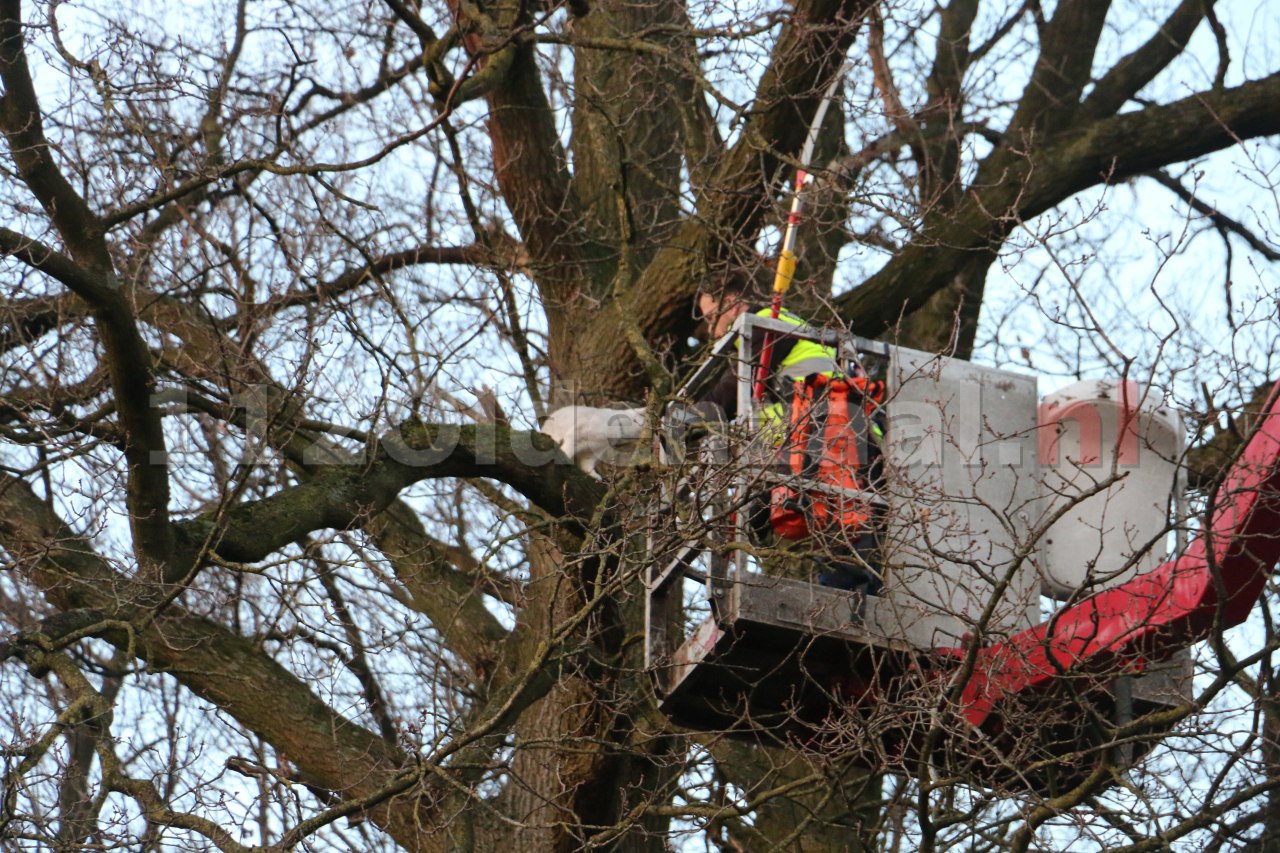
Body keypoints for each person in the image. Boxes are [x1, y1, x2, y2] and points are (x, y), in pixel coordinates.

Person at [690, 271, 884, 595]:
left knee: (847, 527)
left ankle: (851, 600)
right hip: (831, 436)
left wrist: (682, 423)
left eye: (711, 317)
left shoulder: (767, 325)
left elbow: (730, 391)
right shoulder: (775, 337)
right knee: (837, 522)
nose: (710, 329)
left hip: (831, 431)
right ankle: (849, 596)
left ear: (731, 302)